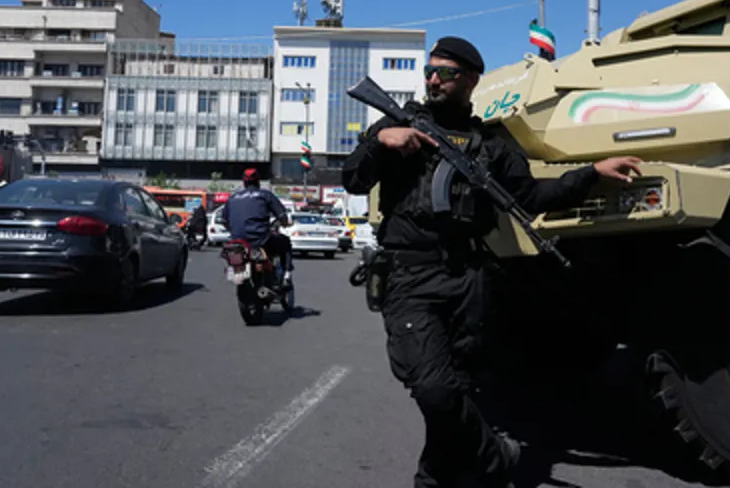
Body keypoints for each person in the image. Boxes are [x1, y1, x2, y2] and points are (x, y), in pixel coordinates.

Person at [341, 35, 643, 487]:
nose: (433, 80)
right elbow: (352, 180)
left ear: (471, 81)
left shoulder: (490, 145)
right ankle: (495, 454)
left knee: (459, 389)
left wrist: (592, 175)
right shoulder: (398, 127)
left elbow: (531, 197)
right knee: (433, 389)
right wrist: (381, 141)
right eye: (430, 71)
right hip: (410, 275)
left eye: (445, 73)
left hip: (468, 277)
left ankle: (432, 480)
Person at [221, 168, 294, 288]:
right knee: (285, 242)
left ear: (244, 183)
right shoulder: (265, 195)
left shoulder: (233, 198)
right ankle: (287, 275)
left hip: (237, 242)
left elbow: (224, 221)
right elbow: (282, 216)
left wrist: (234, 231)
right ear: (258, 182)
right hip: (261, 240)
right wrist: (285, 223)